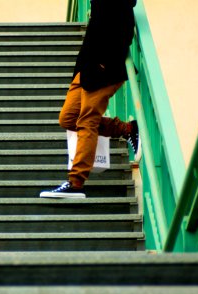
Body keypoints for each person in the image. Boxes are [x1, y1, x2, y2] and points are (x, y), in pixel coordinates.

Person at [40, 0, 139, 199]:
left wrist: (104, 63)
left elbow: (125, 31)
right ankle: (127, 129)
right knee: (67, 118)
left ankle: (76, 183)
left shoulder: (121, 5)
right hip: (86, 68)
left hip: (104, 69)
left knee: (87, 120)